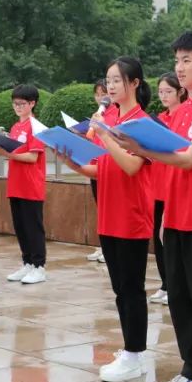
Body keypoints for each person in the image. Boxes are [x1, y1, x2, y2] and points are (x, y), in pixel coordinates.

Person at [113, 31, 192, 382]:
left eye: (187, 60)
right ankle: (190, 368)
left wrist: (141, 148)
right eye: (177, 60)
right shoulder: (181, 113)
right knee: (179, 298)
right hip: (177, 216)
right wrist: (164, 217)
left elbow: (189, 159)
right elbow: (170, 169)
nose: (179, 68)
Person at [59, 57, 154, 382]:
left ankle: (135, 355)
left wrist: (105, 134)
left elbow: (131, 166)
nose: (110, 87)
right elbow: (102, 168)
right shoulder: (108, 118)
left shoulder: (142, 124)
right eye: (108, 80)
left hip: (132, 214)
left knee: (132, 287)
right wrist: (71, 162)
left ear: (134, 83)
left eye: (117, 80)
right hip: (109, 212)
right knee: (118, 288)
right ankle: (130, 349)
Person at [0, 84, 48, 285]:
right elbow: (14, 152)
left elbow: (32, 157)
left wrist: (7, 153)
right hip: (16, 184)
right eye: (15, 103)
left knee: (33, 227)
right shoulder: (16, 127)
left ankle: (39, 267)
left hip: (31, 185)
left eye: (22, 103)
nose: (17, 107)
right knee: (21, 227)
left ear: (32, 103)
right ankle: (27, 263)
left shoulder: (37, 127)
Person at [149, 73, 185, 305]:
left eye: (168, 91)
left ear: (180, 92)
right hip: (156, 184)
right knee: (157, 237)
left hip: (173, 184)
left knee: (170, 238)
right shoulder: (160, 118)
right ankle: (165, 283)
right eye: (160, 92)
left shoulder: (183, 116)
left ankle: (175, 284)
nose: (163, 96)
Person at [86, 79, 108, 264]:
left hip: (107, 169)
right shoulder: (97, 116)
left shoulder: (112, 116)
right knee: (100, 209)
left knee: (109, 210)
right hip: (94, 167)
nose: (100, 98)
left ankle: (107, 248)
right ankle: (102, 245)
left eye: (104, 94)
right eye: (97, 94)